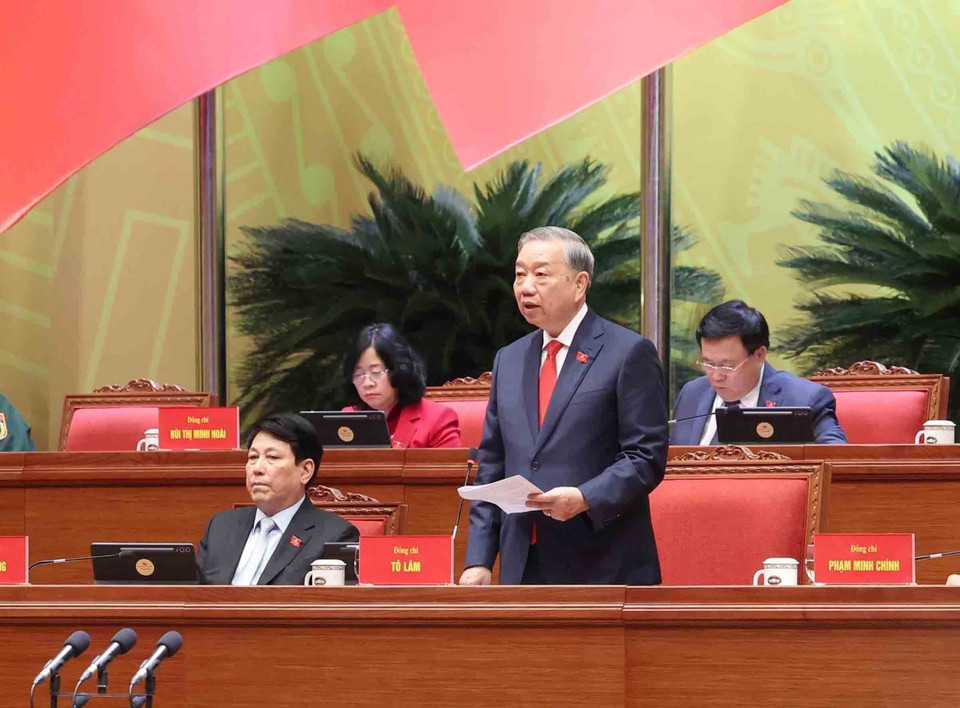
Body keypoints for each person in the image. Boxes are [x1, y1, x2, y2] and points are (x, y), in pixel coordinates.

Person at [459, 226, 669, 586]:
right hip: (522, 562)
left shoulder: (628, 353)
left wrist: (585, 497)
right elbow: (493, 463)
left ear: (579, 283)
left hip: (602, 563)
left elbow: (645, 456)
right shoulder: (509, 360)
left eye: (541, 275)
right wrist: (479, 559)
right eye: (520, 275)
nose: (526, 287)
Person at [197, 413, 359, 585]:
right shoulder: (220, 526)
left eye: (272, 457)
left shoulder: (334, 536)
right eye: (253, 457)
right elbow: (192, 591)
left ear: (305, 471)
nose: (257, 469)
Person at [671, 300, 847, 445]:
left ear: (759, 355)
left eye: (727, 366)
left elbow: (837, 459)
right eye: (708, 364)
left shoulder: (804, 399)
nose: (716, 376)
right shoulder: (692, 394)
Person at [342, 323, 462, 448]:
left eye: (376, 372)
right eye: (359, 374)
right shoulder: (348, 418)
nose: (367, 383)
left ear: (399, 370)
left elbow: (450, 461)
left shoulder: (437, 419)